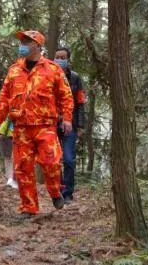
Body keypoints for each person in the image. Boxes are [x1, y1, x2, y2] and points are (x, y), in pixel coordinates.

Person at [0, 30, 74, 218]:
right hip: (20, 127)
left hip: (45, 125)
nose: (22, 45)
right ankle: (29, 208)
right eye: (22, 41)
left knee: (51, 162)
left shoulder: (53, 69)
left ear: (38, 45)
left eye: (27, 41)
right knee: (23, 168)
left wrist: (67, 118)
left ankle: (55, 192)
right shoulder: (14, 70)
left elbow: (66, 96)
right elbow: (4, 96)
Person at [54, 46, 87, 204]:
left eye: (62, 57)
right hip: (52, 123)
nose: (59, 60)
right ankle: (57, 191)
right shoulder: (48, 75)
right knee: (54, 160)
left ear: (68, 59)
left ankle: (68, 193)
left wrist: (80, 125)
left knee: (68, 159)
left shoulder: (75, 78)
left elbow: (80, 102)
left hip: (70, 124)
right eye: (57, 57)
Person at [0, 118, 18, 189]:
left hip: (11, 137)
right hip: (7, 137)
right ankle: (10, 179)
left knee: (10, 159)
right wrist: (0, 134)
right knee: (9, 159)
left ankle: (11, 178)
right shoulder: (9, 115)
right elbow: (4, 124)